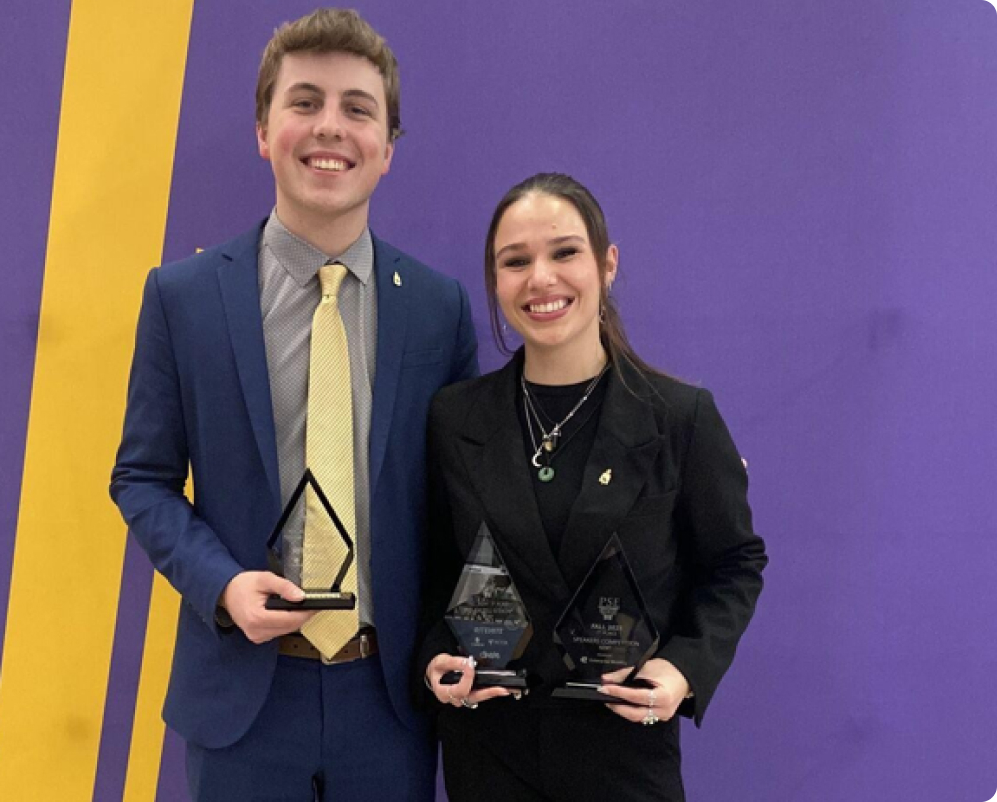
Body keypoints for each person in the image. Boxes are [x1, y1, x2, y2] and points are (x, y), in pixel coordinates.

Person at [110, 9, 477, 801]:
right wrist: (221, 585)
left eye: (358, 108)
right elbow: (141, 478)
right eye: (304, 102)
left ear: (388, 148)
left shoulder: (439, 310)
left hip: (388, 705)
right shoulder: (182, 298)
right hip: (241, 702)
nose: (330, 127)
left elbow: (463, 503)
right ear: (262, 131)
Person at [419, 173, 766, 801]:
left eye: (565, 252)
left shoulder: (679, 417)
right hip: (490, 754)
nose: (541, 278)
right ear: (495, 282)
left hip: (624, 756)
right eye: (515, 262)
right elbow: (435, 570)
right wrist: (438, 654)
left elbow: (734, 564)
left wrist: (683, 669)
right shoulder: (454, 417)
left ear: (607, 265)